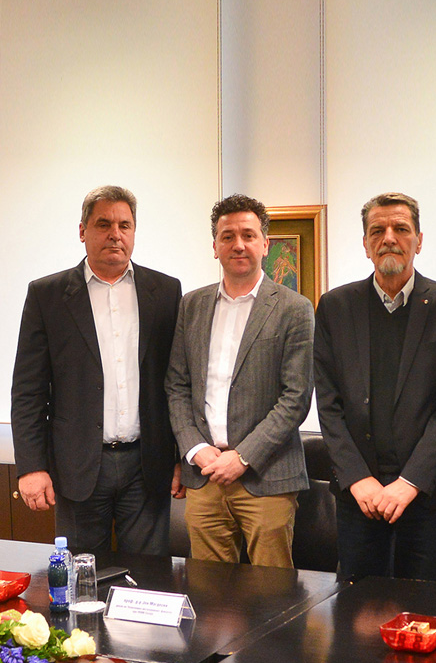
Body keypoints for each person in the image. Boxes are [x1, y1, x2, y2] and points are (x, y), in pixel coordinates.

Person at [11, 186, 181, 556]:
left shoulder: (166, 291)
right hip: (78, 467)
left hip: (147, 466)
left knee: (150, 578)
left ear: (134, 231)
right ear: (82, 231)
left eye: (124, 225)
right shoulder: (47, 295)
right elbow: (28, 391)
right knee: (83, 578)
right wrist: (31, 467)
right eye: (103, 224)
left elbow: (178, 383)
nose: (115, 234)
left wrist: (182, 457)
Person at [314, 192, 436, 582]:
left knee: (427, 609)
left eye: (401, 228)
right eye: (377, 230)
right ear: (365, 244)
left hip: (430, 497)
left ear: (419, 240)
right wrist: (357, 478)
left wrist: (409, 482)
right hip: (359, 498)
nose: (389, 238)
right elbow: (328, 404)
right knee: (358, 607)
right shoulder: (335, 306)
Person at [165, 194, 314, 567]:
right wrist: (194, 449)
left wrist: (244, 456)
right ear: (215, 247)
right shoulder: (191, 306)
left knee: (272, 591)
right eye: (227, 236)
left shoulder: (294, 309)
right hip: (205, 476)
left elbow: (295, 398)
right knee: (209, 592)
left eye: (248, 235)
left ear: (265, 244)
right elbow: (177, 387)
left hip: (267, 479)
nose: (238, 245)